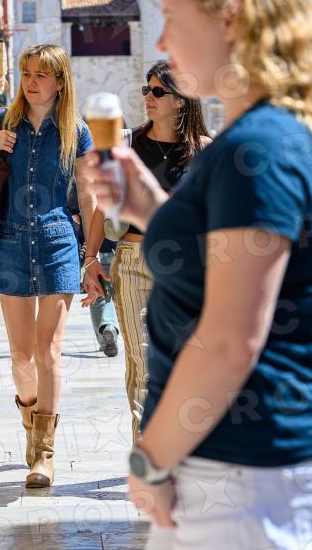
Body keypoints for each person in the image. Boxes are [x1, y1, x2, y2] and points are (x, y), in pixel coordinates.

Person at [90, 0, 312, 549]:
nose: (162, 41)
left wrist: (151, 458)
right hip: (244, 472)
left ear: (229, 16)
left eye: (173, 18)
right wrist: (148, 207)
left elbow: (230, 340)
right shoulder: (265, 139)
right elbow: (222, 265)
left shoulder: (259, 149)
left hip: (249, 476)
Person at [0, 43, 96, 488]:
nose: (31, 81)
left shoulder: (76, 130)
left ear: (60, 82)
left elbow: (90, 197)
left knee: (48, 349)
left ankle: (44, 454)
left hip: (58, 243)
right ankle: (31, 418)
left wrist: (92, 256)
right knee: (21, 358)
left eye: (41, 74)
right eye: (26, 73)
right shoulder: (2, 123)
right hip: (11, 243)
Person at [83, 60, 208, 442]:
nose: (148, 98)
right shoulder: (127, 145)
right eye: (146, 90)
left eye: (158, 91)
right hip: (133, 261)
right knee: (143, 363)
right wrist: (90, 259)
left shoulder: (205, 151)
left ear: (182, 100)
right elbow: (103, 205)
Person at [67, 179, 120, 357]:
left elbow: (74, 215)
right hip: (118, 242)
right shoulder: (116, 174)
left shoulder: (83, 177)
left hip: (93, 246)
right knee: (113, 291)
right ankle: (109, 324)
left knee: (97, 292)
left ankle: (105, 335)